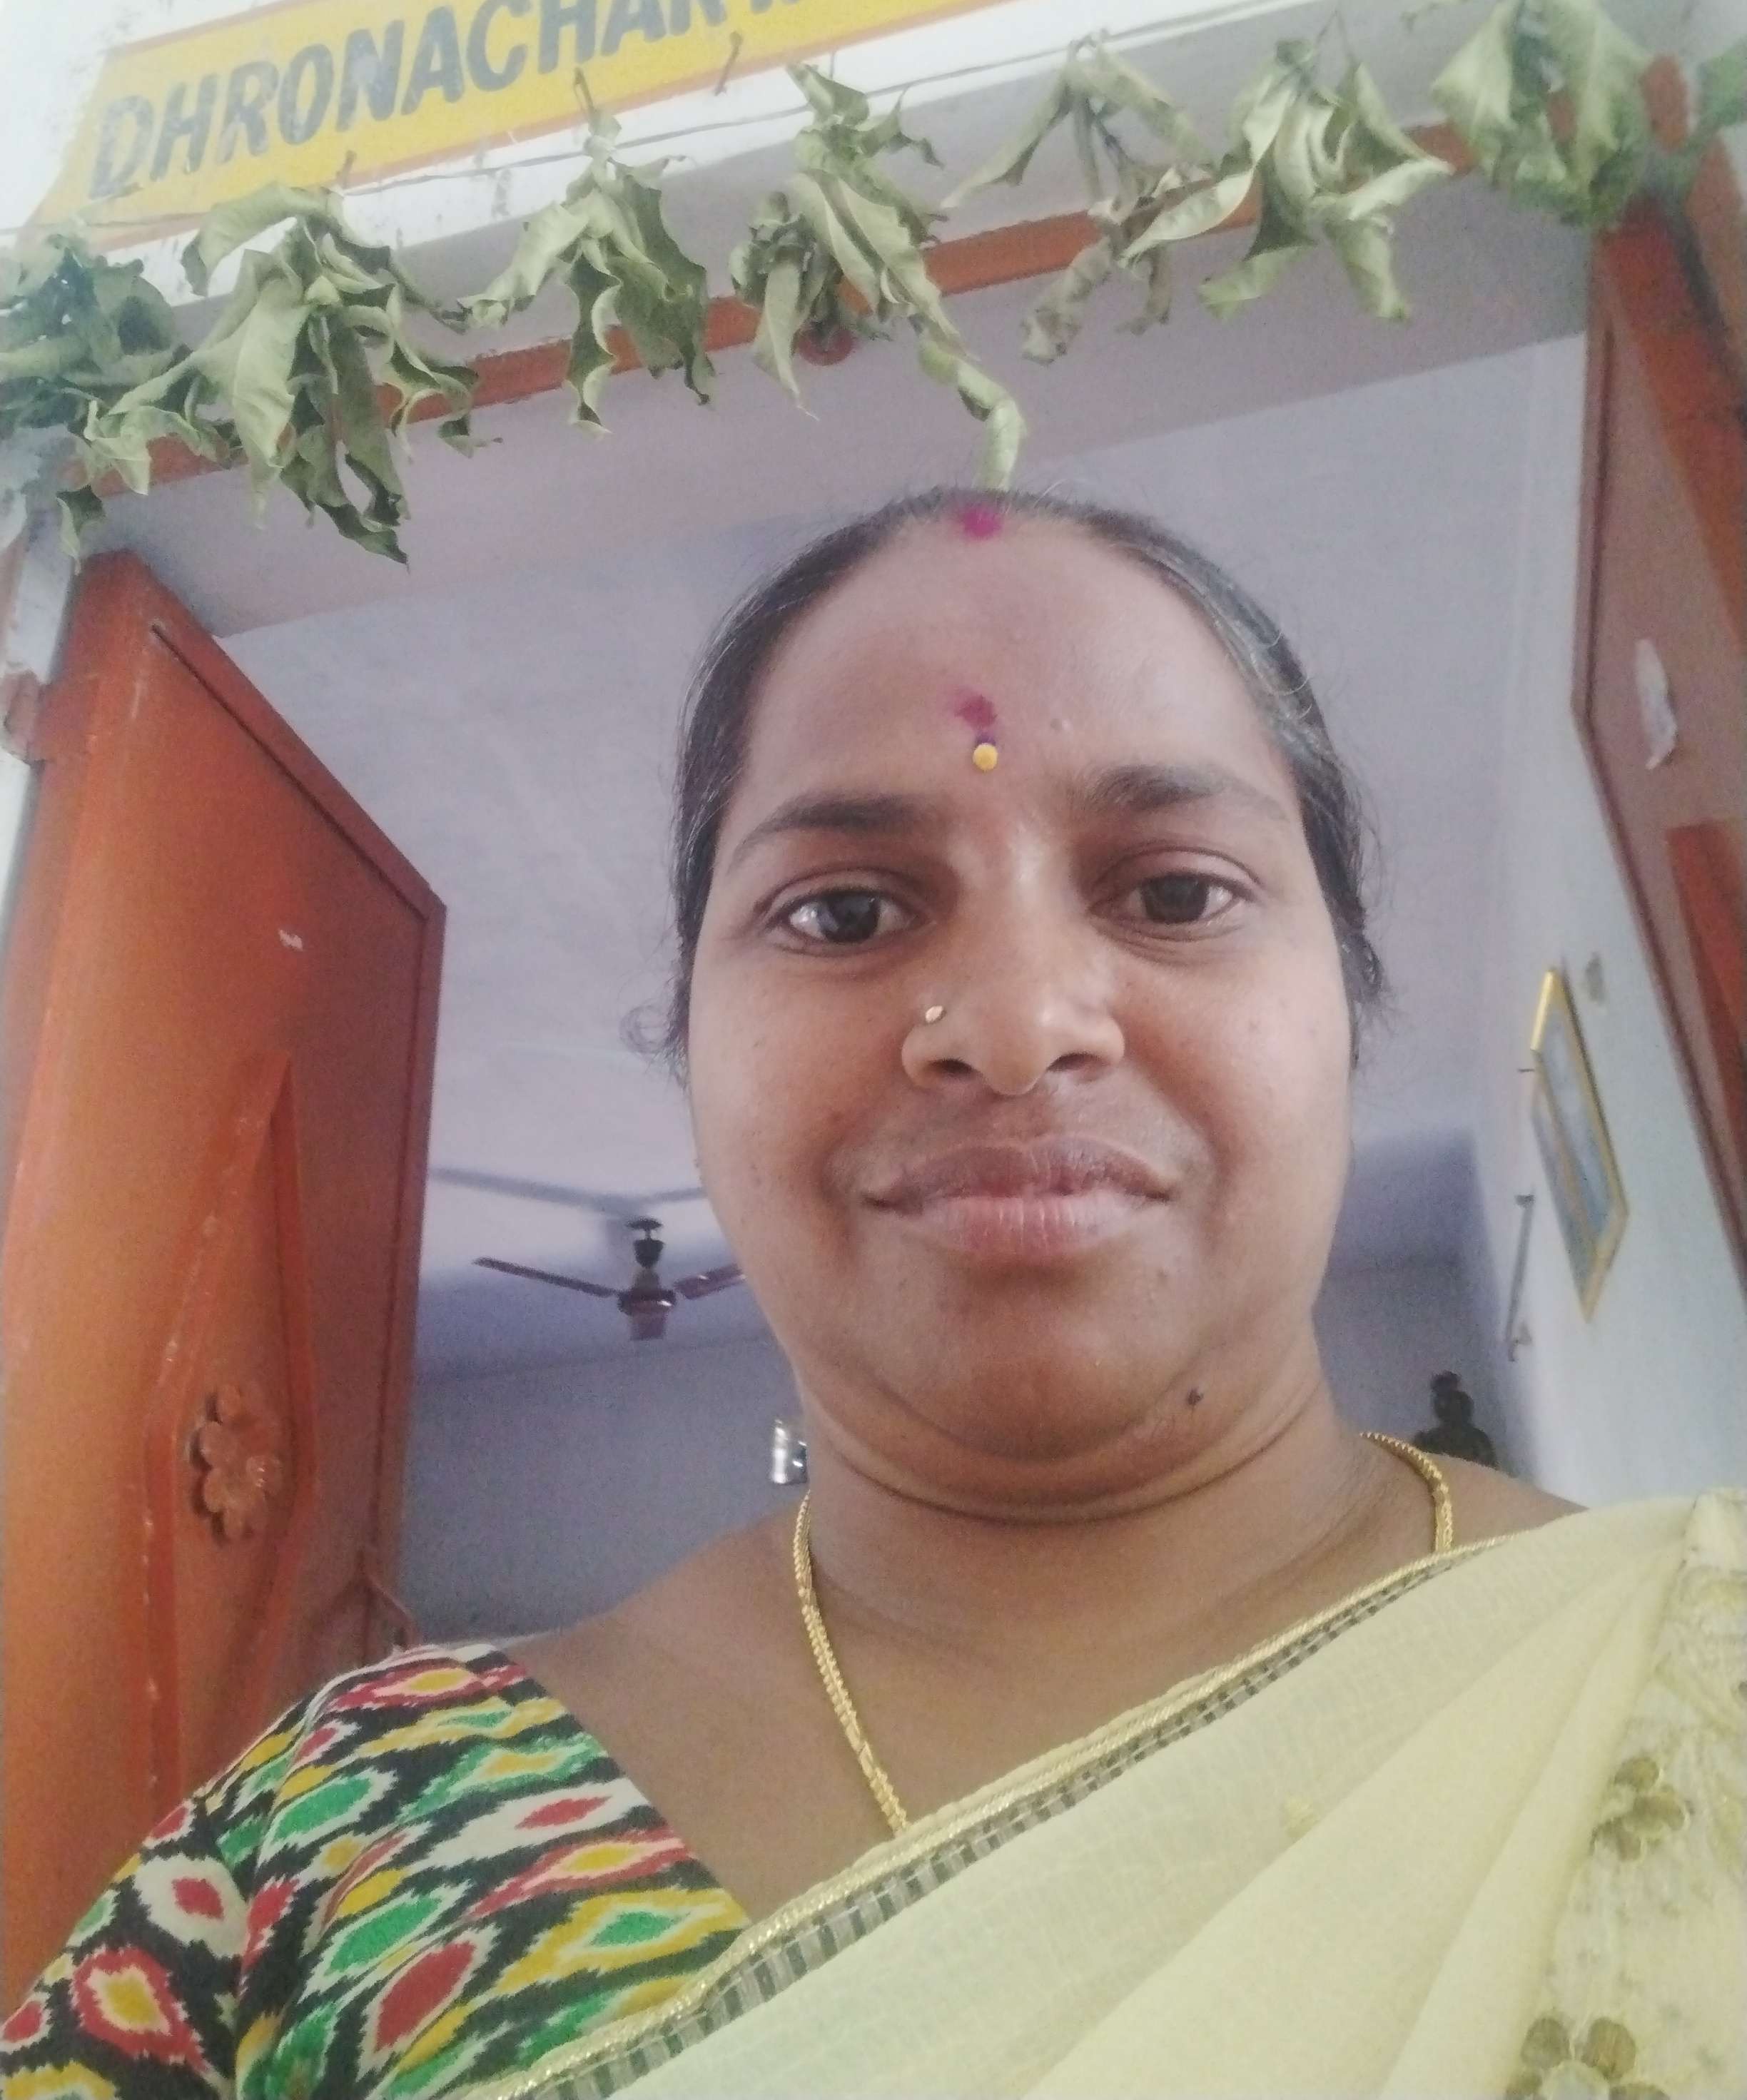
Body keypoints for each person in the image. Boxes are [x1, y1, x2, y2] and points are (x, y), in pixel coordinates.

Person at [3, 489, 1740, 2100]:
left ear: (1348, 1003)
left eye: (1176, 890)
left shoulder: (1704, 1672)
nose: (1017, 1025)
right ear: (693, 1047)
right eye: (842, 914)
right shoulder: (338, 1846)